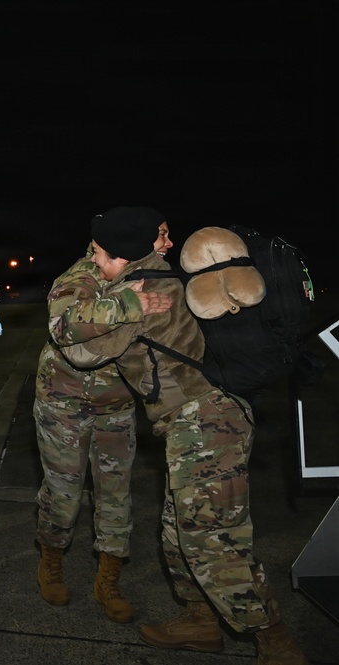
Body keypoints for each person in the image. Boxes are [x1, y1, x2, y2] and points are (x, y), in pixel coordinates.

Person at [58, 206, 308, 664]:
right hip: (197, 422)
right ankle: (199, 620)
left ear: (121, 255)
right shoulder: (162, 279)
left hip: (205, 423)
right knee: (178, 531)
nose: (93, 262)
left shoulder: (146, 292)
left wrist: (117, 305)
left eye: (98, 254)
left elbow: (83, 353)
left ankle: (276, 642)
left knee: (212, 538)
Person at [34, 217, 173, 623]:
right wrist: (131, 304)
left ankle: (109, 577)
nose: (169, 241)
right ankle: (52, 561)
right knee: (63, 493)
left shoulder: (150, 276)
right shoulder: (81, 276)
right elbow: (65, 326)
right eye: (163, 234)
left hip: (117, 405)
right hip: (64, 404)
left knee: (116, 493)